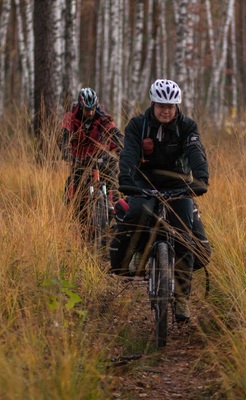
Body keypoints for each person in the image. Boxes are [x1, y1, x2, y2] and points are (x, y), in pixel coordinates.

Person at [109, 79, 209, 322]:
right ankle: (136, 252)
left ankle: (182, 297)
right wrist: (126, 178)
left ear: (177, 107)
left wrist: (201, 178)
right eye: (161, 105)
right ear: (153, 104)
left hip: (178, 184)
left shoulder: (187, 127)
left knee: (184, 231)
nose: (166, 110)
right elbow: (129, 153)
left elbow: (196, 153)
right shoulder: (137, 125)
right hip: (144, 183)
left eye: (171, 106)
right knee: (138, 212)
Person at [59, 87, 123, 229]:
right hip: (79, 157)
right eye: (87, 110)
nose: (91, 112)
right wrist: (65, 151)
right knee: (73, 186)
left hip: (99, 155)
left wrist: (122, 148)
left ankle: (113, 208)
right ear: (81, 107)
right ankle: (74, 216)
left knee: (113, 173)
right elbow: (64, 136)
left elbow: (113, 133)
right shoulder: (71, 118)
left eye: (93, 109)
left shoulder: (102, 117)